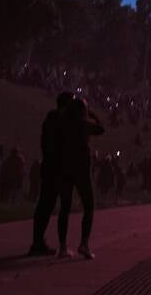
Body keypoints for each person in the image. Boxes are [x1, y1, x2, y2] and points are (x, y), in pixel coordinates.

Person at [56, 97, 104, 259]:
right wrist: (92, 114)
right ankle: (84, 244)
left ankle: (62, 246)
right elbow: (101, 128)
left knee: (65, 208)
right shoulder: (85, 125)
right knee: (89, 206)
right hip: (82, 170)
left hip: (65, 168)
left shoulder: (64, 124)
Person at [29, 91, 73, 256]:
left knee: (45, 204)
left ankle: (37, 241)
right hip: (56, 167)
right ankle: (38, 242)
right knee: (50, 205)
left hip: (50, 166)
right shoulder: (59, 120)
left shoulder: (51, 119)